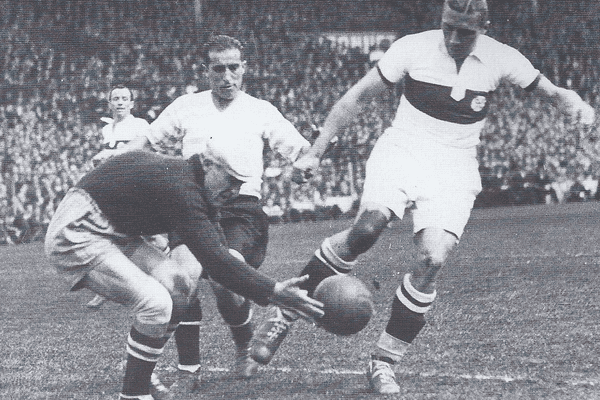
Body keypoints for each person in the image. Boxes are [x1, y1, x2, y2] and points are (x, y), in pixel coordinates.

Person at [250, 0, 596, 394]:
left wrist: (577, 104)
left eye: (464, 31)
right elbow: (356, 97)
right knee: (366, 229)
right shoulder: (413, 48)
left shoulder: (503, 58)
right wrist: (316, 150)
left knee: (432, 259)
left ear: (484, 26)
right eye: (447, 26)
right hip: (403, 149)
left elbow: (553, 93)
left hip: (454, 166)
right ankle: (286, 310)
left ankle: (383, 361)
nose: (452, 38)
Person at [44, 137, 324, 400]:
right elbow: (216, 261)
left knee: (179, 284)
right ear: (207, 164)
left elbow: (218, 256)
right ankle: (132, 394)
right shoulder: (182, 188)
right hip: (79, 229)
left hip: (115, 229)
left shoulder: (195, 187)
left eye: (240, 184)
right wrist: (274, 291)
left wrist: (257, 283)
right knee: (155, 305)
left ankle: (143, 368)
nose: (235, 191)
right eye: (230, 180)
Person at [125, 34, 312, 379]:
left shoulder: (261, 111)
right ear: (205, 71)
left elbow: (303, 152)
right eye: (218, 69)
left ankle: (242, 343)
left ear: (245, 68)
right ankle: (182, 370)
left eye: (233, 68)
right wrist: (120, 162)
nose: (226, 76)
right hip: (191, 206)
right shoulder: (186, 105)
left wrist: (305, 166)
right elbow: (147, 140)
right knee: (182, 278)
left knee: (228, 281)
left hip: (241, 209)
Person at [87, 84, 152, 309]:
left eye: (125, 98)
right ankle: (109, 288)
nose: (120, 102)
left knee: (142, 235)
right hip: (112, 187)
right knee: (111, 234)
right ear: (110, 103)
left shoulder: (140, 125)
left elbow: (145, 152)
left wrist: (113, 156)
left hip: (134, 185)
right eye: (116, 98)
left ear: (132, 103)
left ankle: (163, 268)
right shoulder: (106, 130)